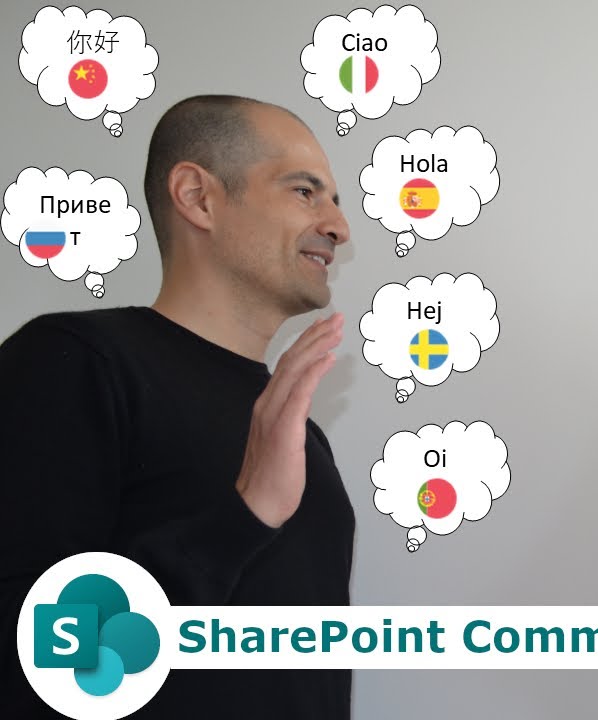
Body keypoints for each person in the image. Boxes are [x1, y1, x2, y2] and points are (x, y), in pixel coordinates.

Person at [0, 95, 354, 718]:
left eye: (335, 201)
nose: (338, 226)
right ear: (197, 197)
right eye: (305, 191)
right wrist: (244, 515)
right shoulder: (74, 363)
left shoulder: (300, 436)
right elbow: (28, 662)